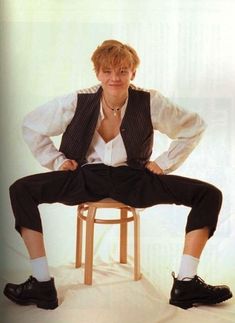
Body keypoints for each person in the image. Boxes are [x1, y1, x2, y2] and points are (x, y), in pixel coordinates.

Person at [4, 39, 232, 310]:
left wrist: (164, 163)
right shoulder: (78, 100)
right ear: (98, 73)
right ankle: (42, 283)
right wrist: (56, 161)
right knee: (21, 189)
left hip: (133, 180)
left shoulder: (150, 101)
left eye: (123, 71)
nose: (115, 78)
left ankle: (186, 282)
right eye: (108, 71)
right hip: (84, 177)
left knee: (208, 194)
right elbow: (32, 124)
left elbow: (194, 126)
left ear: (133, 73)